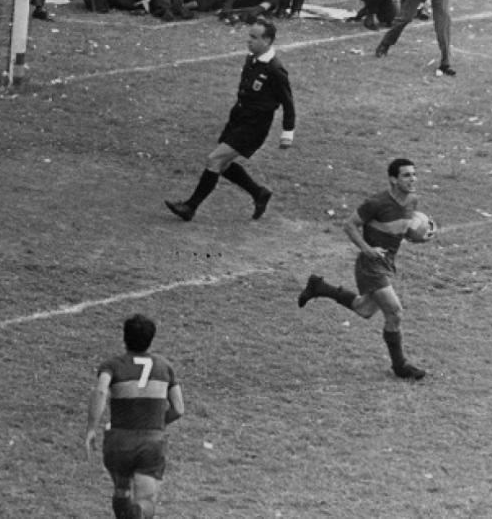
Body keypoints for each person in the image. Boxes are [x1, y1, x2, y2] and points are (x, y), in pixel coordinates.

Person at [297, 158, 429, 381]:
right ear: (393, 179)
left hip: (387, 263)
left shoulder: (412, 201)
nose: (412, 179)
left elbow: (400, 228)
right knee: (395, 312)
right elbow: (349, 225)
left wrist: (414, 235)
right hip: (370, 264)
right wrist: (367, 249)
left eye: (414, 174)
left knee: (364, 309)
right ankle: (400, 366)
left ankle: (319, 287)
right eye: (406, 175)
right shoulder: (376, 202)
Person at [166, 20, 295, 222]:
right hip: (238, 119)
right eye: (249, 36)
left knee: (214, 160)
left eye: (254, 37)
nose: (248, 41)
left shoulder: (275, 69)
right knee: (223, 165)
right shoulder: (251, 60)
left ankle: (190, 207)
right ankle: (259, 193)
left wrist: (288, 132)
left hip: (255, 126)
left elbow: (288, 102)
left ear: (267, 40)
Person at [86, 314, 185, 519]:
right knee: (146, 500)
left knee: (121, 490)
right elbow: (178, 408)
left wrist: (91, 429)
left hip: (119, 441)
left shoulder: (111, 366)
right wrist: (158, 423)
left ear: (124, 337)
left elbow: (101, 392)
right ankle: (139, 514)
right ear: (151, 339)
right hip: (151, 442)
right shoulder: (165, 367)